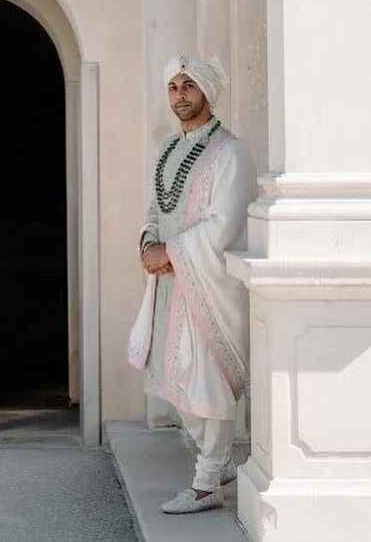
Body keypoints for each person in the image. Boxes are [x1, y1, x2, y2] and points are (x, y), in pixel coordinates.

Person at [128, 55, 257, 514]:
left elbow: (224, 225)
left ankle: (206, 484)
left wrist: (171, 252)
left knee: (210, 380)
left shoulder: (230, 152)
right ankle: (216, 462)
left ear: (207, 91)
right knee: (175, 377)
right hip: (169, 284)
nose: (180, 95)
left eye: (189, 86)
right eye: (174, 87)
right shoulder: (167, 150)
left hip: (207, 284)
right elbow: (153, 211)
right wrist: (147, 245)